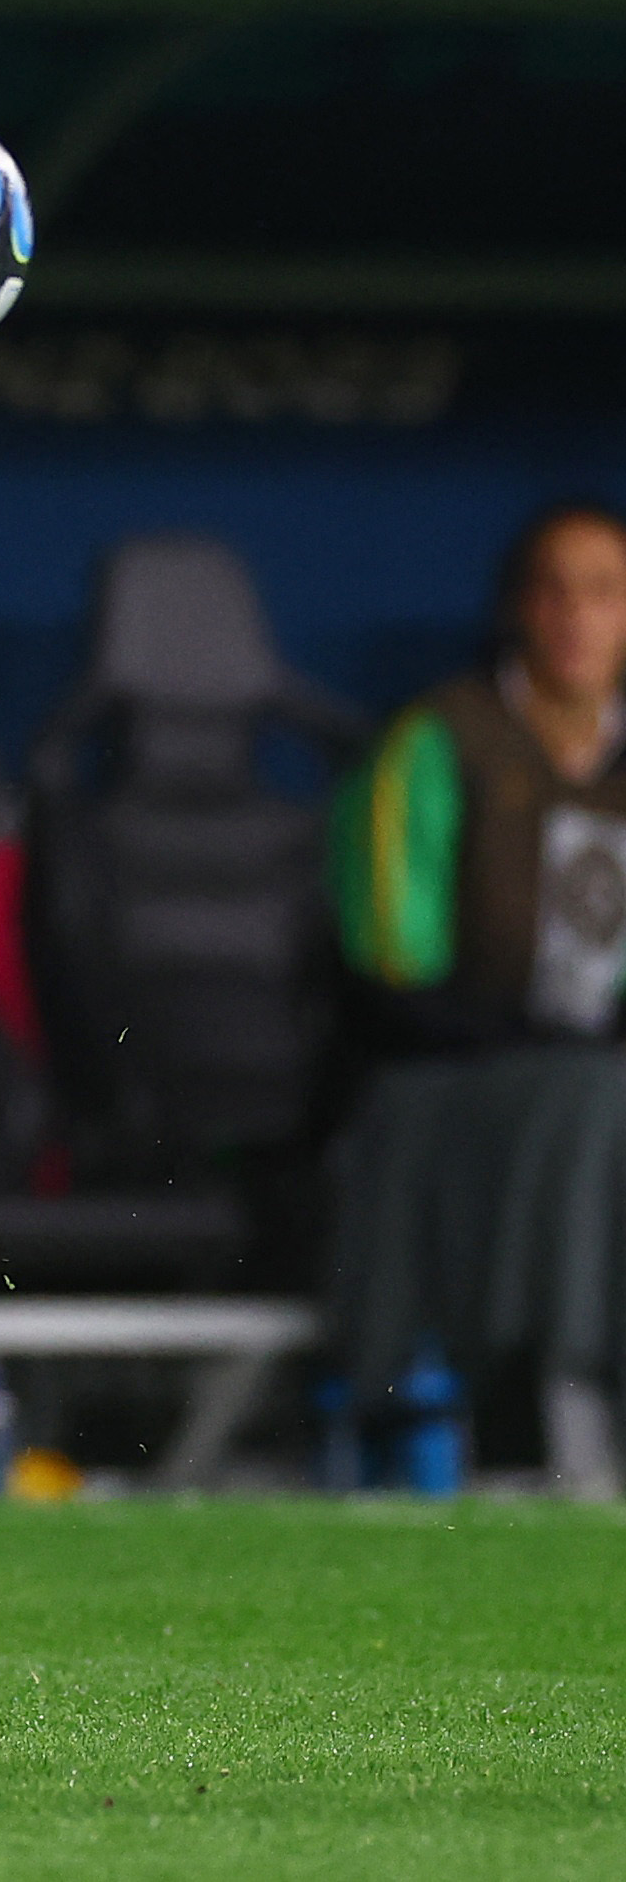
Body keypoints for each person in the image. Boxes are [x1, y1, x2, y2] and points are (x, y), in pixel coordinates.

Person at [328, 500, 626, 1493]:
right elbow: (387, 975)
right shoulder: (437, 741)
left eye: (603, 591)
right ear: (514, 609)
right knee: (593, 1098)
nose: (576, 618)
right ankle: (549, 1400)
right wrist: (545, 1039)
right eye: (553, 590)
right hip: (445, 1084)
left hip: (591, 1079)